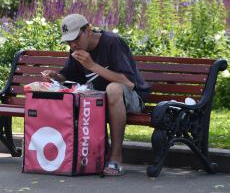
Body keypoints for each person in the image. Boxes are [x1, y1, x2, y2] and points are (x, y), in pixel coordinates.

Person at [41, 14, 149, 176]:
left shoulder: (112, 42)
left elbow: (128, 82)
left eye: (75, 39)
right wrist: (55, 77)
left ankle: (116, 158)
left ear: (88, 30)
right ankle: (91, 156)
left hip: (133, 98)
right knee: (79, 95)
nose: (73, 44)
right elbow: (67, 75)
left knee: (113, 89)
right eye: (68, 41)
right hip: (100, 99)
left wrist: (92, 65)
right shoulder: (76, 49)